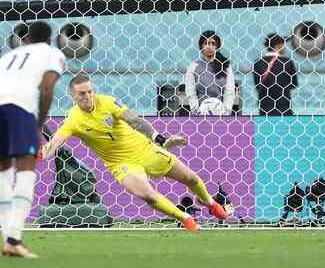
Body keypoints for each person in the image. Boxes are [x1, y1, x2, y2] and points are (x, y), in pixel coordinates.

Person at [40, 75, 230, 231]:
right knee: (148, 195)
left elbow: (134, 120)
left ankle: (210, 203)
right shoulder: (73, 119)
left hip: (145, 149)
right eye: (82, 93)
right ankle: (185, 218)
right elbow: (57, 140)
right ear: (72, 95)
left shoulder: (107, 102)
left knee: (191, 178)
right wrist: (43, 153)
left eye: (90, 91)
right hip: (121, 164)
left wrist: (162, 140)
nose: (88, 96)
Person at [0, 21, 65, 258]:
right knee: (26, 169)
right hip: (20, 107)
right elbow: (47, 89)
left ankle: (8, 238)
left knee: (3, 171)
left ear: (26, 39)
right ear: (49, 39)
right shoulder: (53, 54)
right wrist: (38, 125)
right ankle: (14, 238)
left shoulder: (10, 55)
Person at [185, 31, 236, 116]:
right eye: (206, 43)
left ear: (217, 46)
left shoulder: (226, 66)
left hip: (221, 113)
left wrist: (226, 112)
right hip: (201, 113)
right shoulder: (193, 67)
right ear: (201, 46)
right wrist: (196, 113)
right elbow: (191, 93)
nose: (209, 46)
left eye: (213, 43)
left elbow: (229, 91)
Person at [252, 33, 298, 116]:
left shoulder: (257, 63)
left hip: (264, 106)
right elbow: (294, 84)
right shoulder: (287, 62)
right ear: (278, 46)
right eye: (283, 44)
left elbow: (257, 85)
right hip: (284, 106)